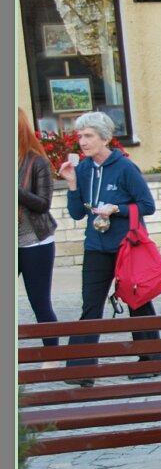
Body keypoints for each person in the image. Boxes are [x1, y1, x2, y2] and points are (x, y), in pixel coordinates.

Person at [58, 111, 161, 387]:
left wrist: (118, 209)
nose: (83, 141)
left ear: (105, 138)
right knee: (91, 305)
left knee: (136, 301)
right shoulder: (83, 169)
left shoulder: (125, 168)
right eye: (80, 136)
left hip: (127, 246)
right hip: (96, 245)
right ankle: (81, 367)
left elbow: (147, 206)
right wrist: (70, 184)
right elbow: (78, 213)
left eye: (88, 136)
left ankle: (151, 361)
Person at [17, 107, 59, 360]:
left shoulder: (37, 162)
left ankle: (53, 356)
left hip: (35, 242)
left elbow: (43, 204)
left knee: (40, 303)